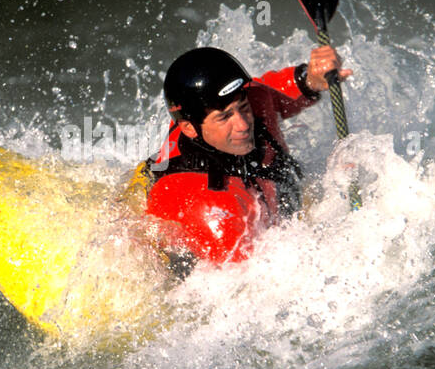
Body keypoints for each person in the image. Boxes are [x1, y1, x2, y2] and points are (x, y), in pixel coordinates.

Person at [141, 45, 350, 267]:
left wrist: (310, 79)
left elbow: (273, 93)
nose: (243, 124)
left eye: (243, 106)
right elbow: (255, 285)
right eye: (224, 118)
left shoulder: (252, 103)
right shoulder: (211, 206)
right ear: (190, 128)